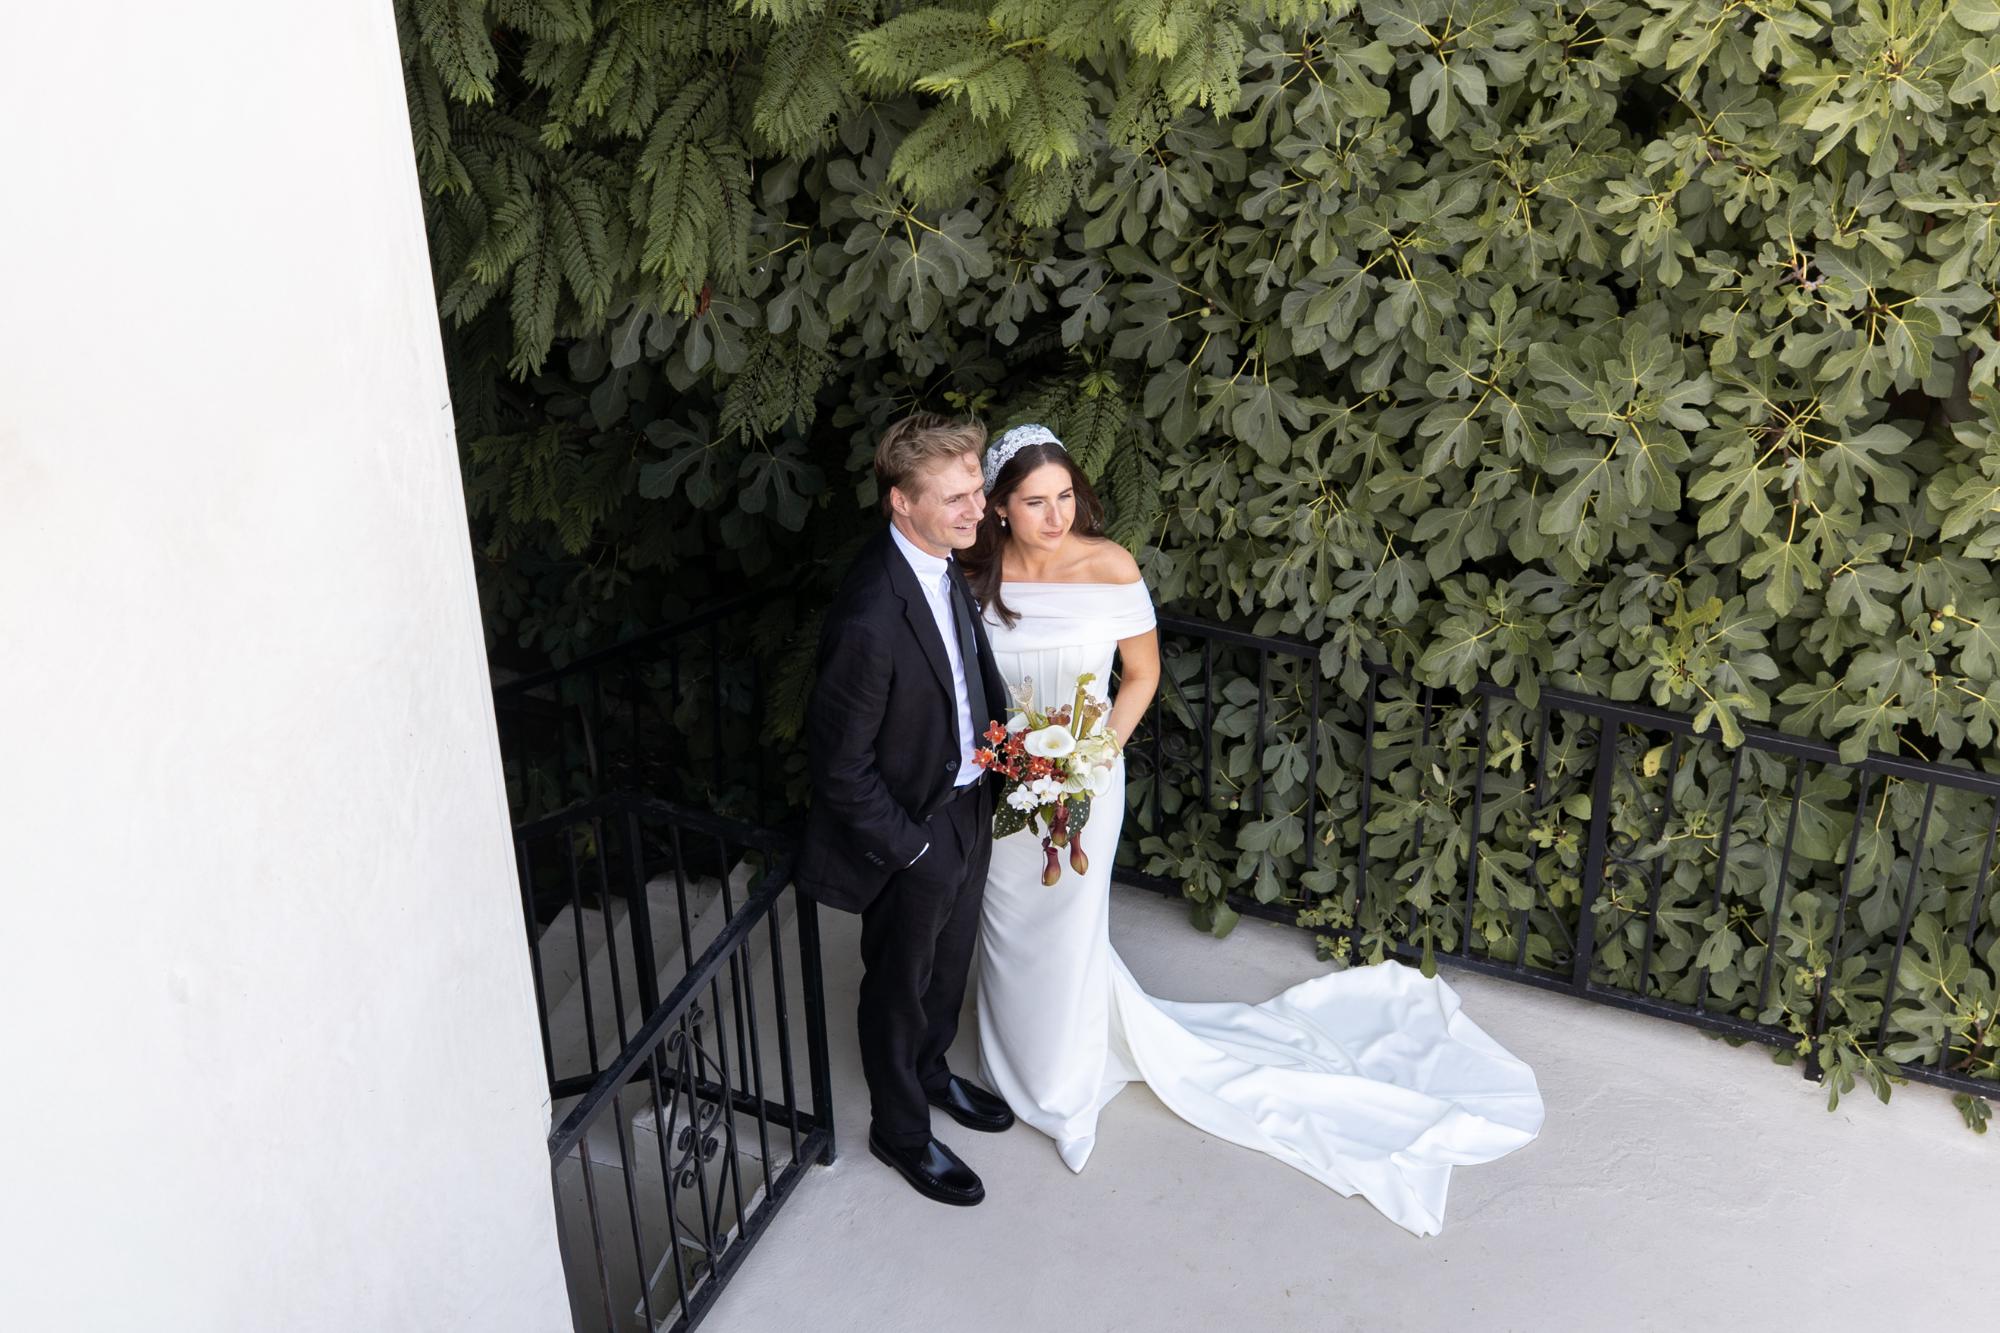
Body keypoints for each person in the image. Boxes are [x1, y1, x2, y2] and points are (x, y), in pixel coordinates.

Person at [962, 424, 1546, 1237]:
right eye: (1035, 501)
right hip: (1005, 782)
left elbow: (1144, 673)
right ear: (997, 508)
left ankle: (1060, 1089)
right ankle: (1013, 1052)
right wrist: (1007, 761)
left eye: (1065, 496)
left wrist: (1091, 758)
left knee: (1067, 924)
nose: (1056, 514)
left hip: (1087, 775)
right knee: (1006, 926)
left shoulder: (1111, 564)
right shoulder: (974, 576)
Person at [795, 414, 1018, 1207]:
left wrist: (995, 758)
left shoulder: (941, 561)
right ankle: (900, 1130)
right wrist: (915, 850)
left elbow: (960, 678)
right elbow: (841, 768)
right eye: (954, 497)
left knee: (947, 964)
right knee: (897, 984)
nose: (976, 508)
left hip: (964, 799)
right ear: (901, 502)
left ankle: (931, 1072)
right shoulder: (868, 614)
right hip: (910, 830)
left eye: (977, 490)